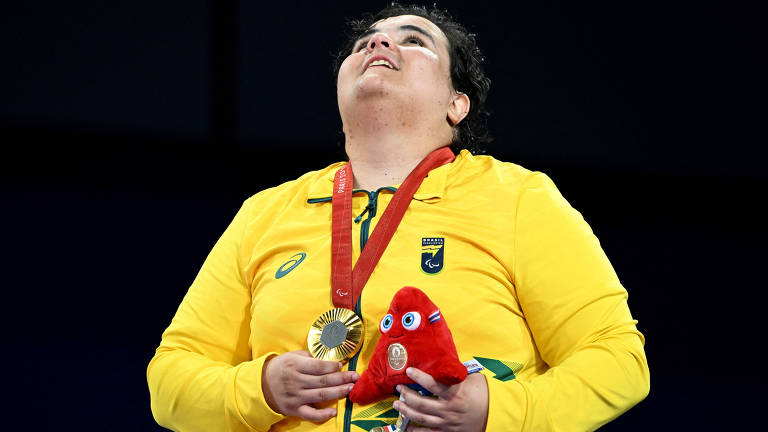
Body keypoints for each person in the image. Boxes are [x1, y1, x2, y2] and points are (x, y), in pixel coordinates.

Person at [147, 4, 649, 432]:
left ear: (456, 104)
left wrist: (497, 411)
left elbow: (618, 360)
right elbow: (170, 380)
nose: (380, 42)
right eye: (365, 41)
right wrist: (258, 388)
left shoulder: (518, 198)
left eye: (414, 40)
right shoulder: (265, 213)